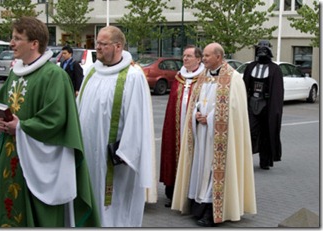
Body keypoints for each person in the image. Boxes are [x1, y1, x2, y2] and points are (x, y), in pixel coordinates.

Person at [0, 16, 100, 227]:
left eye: (17, 38)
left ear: (34, 43)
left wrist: (21, 127)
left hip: (38, 161)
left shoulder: (54, 76)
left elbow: (56, 119)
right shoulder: (14, 74)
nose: (11, 43)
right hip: (10, 156)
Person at [77, 25, 155, 227]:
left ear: (118, 46)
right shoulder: (91, 72)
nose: (98, 48)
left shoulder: (132, 76)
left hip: (115, 159)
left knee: (113, 207)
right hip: (88, 153)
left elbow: (138, 119)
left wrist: (125, 152)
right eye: (97, 44)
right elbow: (80, 108)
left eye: (102, 44)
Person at [171, 42, 257, 227]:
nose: (203, 59)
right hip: (201, 134)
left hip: (220, 137)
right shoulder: (203, 76)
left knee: (213, 170)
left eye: (207, 56)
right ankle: (198, 206)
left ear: (219, 57)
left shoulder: (233, 78)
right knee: (201, 168)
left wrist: (210, 118)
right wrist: (196, 114)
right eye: (203, 56)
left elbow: (235, 109)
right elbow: (196, 102)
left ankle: (212, 211)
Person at [159, 44, 204, 208]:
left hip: (195, 127)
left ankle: (190, 195)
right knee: (173, 154)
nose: (185, 58)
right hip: (176, 125)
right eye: (184, 56)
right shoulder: (179, 77)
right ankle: (172, 193)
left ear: (198, 59)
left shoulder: (204, 78)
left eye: (189, 56)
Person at [243, 40, 284, 170]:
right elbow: (244, 85)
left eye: (264, 50)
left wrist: (274, 109)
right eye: (260, 49)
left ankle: (265, 161)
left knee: (267, 132)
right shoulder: (250, 67)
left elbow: (277, 91)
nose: (262, 52)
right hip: (251, 103)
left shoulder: (275, 69)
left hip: (267, 104)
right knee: (250, 130)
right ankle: (246, 158)